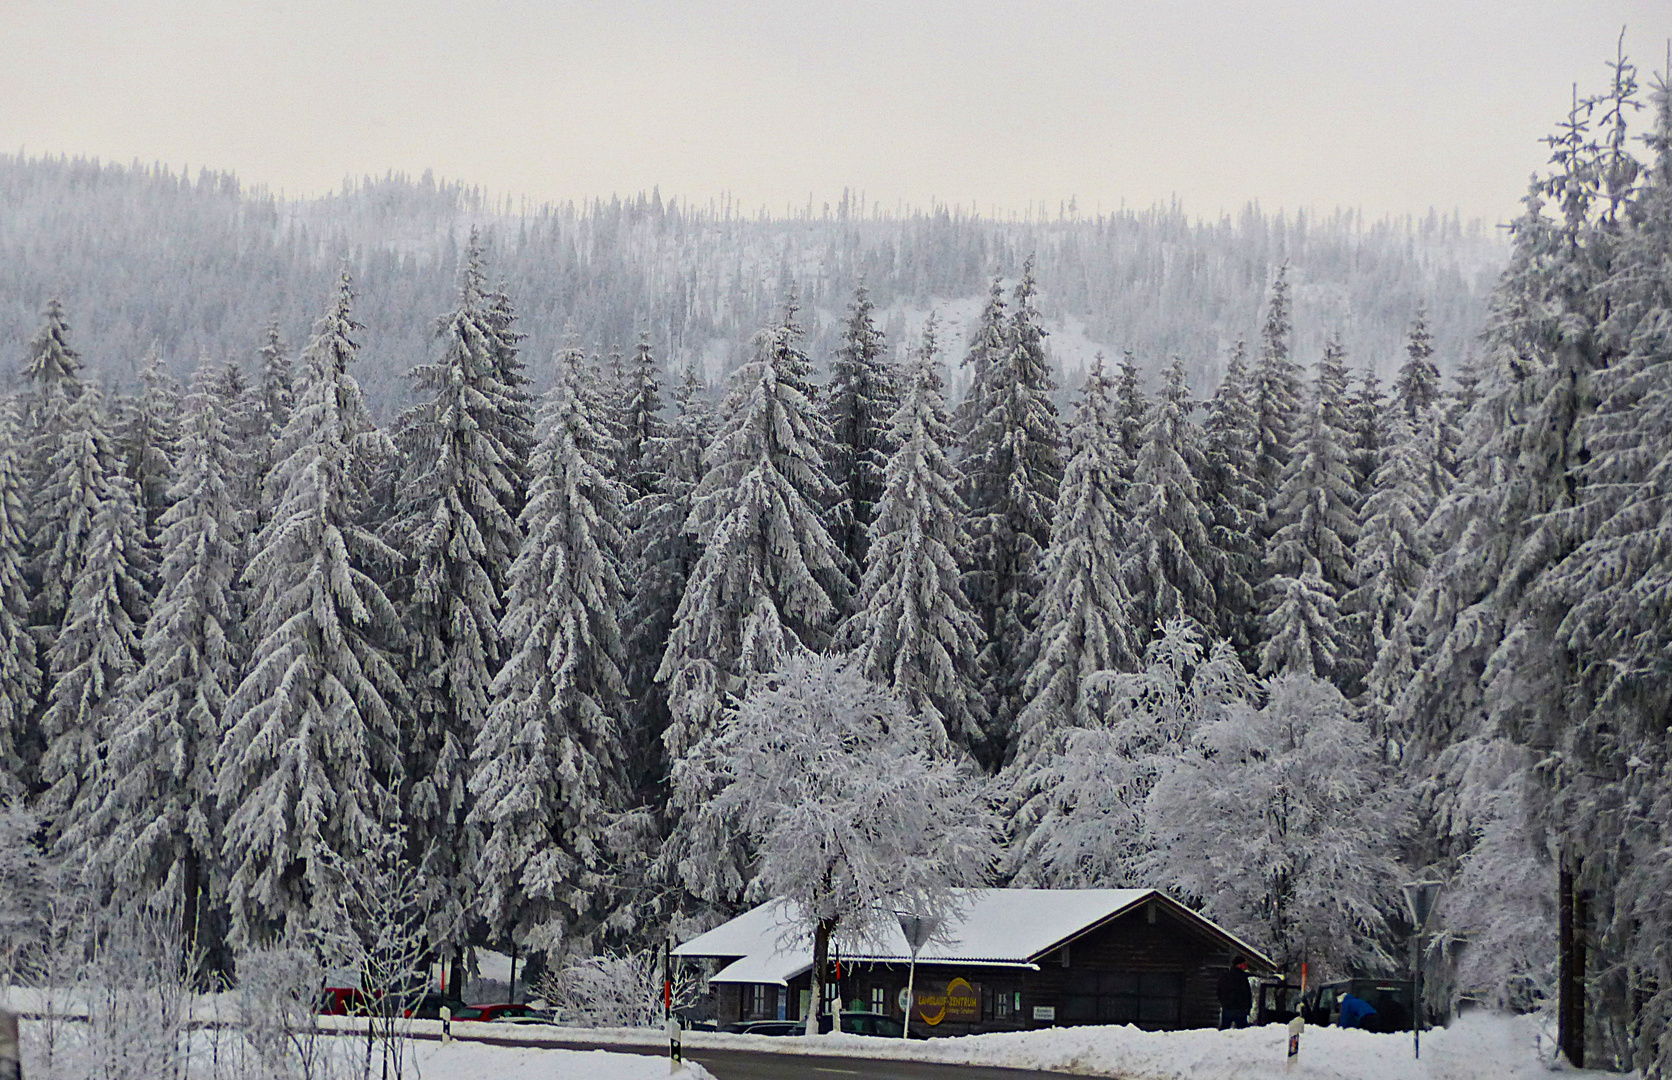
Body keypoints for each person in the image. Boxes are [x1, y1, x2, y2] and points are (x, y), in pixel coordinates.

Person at [1216, 958, 1253, 1029]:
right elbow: (1247, 993)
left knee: (1224, 1030)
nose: (1245, 967)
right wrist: (1248, 1007)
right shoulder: (1242, 977)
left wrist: (1223, 1002)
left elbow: (1219, 991)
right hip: (1240, 1009)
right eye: (1244, 964)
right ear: (1239, 965)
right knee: (1243, 1031)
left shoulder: (1225, 976)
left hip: (1227, 1008)